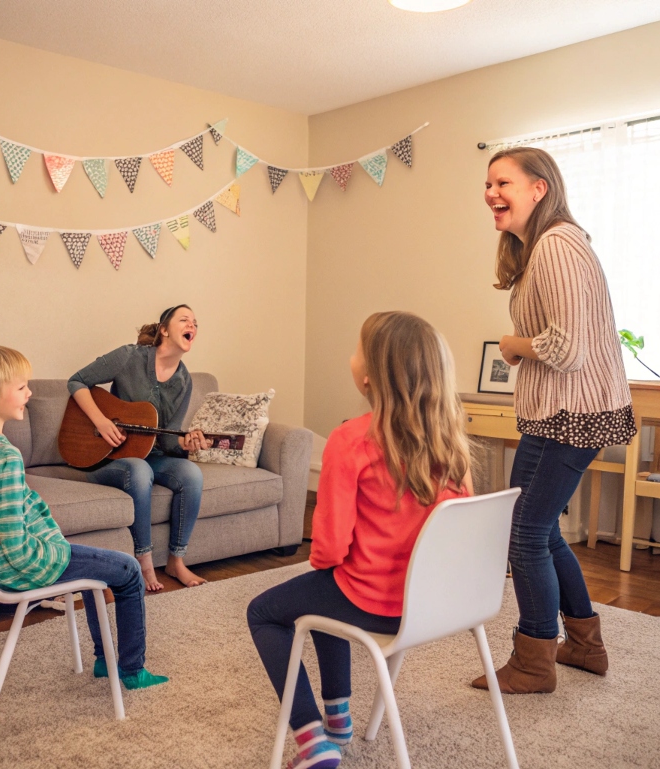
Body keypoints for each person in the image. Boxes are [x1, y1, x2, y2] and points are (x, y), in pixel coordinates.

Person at [247, 312, 473, 769]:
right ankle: (338, 719)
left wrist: (330, 559)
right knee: (326, 593)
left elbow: (328, 549)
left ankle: (313, 740)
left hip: (376, 603)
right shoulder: (452, 443)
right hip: (436, 606)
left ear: (369, 376)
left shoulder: (351, 440)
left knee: (266, 611)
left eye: (356, 350)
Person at [474, 147, 636, 694]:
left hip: (570, 414)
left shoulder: (557, 245)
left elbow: (566, 349)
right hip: (557, 413)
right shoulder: (547, 246)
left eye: (504, 183)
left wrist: (512, 346)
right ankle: (585, 647)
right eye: (488, 184)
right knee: (540, 530)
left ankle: (534, 660)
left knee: (523, 533)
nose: (491, 193)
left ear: (539, 188)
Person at [0, 345, 168, 690]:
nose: (29, 393)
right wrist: (57, 551)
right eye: (20, 387)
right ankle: (132, 669)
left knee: (98, 562)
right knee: (128, 570)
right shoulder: (4, 456)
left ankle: (103, 661)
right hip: (18, 565)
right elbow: (19, 550)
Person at [68, 304, 209, 591]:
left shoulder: (185, 380)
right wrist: (102, 421)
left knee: (191, 474)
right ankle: (144, 561)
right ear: (164, 330)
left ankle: (175, 561)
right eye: (184, 319)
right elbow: (77, 381)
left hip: (152, 456)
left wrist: (188, 443)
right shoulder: (129, 357)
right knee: (139, 469)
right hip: (111, 457)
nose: (191, 325)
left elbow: (168, 440)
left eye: (195, 322)